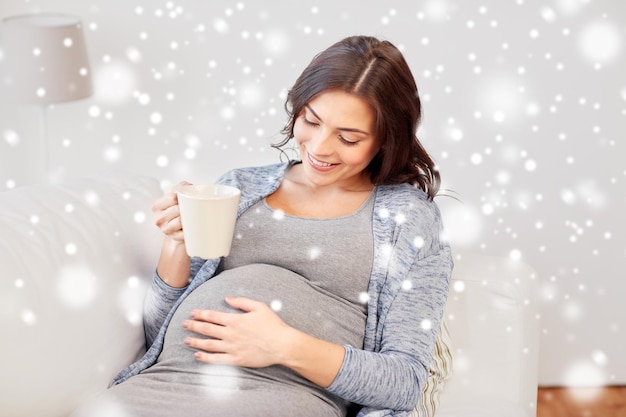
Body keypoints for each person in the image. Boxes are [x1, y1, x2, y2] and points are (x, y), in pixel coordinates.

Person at [74, 35, 453, 417]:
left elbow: (404, 382)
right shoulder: (240, 187)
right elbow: (159, 335)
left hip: (277, 400)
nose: (320, 147)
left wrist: (284, 346)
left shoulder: (408, 219)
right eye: (311, 121)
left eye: (348, 137)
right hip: (160, 387)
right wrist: (175, 245)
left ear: (386, 140)